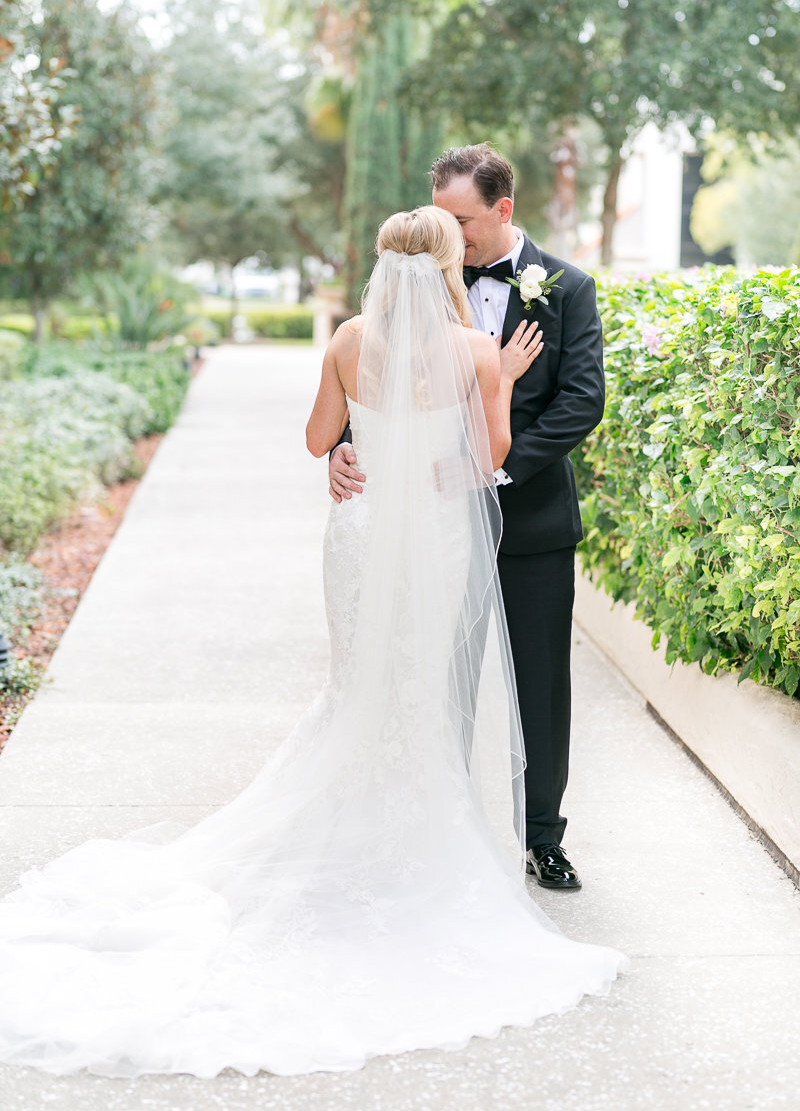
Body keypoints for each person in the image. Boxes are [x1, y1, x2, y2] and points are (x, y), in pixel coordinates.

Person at [0, 206, 624, 1079]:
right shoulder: (477, 352)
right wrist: (506, 380)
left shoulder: (346, 340)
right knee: (424, 684)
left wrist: (350, 447)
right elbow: (489, 456)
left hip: (362, 534)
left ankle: (352, 830)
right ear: (446, 265)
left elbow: (314, 438)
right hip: (438, 535)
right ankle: (415, 842)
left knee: (361, 683)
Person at [330, 146, 605, 891]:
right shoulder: (410, 292)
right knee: (438, 677)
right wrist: (347, 451)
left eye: (461, 221)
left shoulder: (569, 287)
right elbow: (378, 386)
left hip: (533, 525)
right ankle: (440, 825)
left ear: (503, 210)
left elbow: (582, 400)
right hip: (432, 527)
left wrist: (497, 469)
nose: (447, 235)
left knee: (539, 684)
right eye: (441, 218)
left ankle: (542, 839)